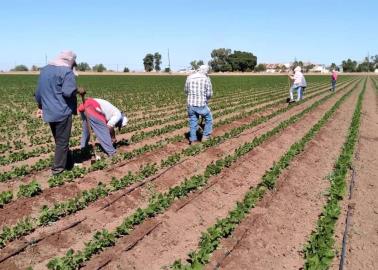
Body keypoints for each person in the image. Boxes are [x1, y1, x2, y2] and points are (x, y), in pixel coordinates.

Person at [35, 51, 78, 175]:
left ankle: (69, 163)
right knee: (62, 141)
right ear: (70, 61)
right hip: (62, 111)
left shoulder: (45, 70)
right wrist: (77, 90)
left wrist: (40, 106)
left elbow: (38, 92)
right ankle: (58, 170)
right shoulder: (66, 72)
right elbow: (68, 92)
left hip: (49, 111)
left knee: (60, 140)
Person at [184, 65, 213, 144]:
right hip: (201, 104)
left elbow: (186, 91)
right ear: (206, 71)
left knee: (193, 121)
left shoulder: (189, 77)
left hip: (190, 104)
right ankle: (206, 136)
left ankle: (193, 140)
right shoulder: (206, 79)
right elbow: (209, 94)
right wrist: (206, 99)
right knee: (209, 119)